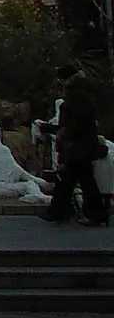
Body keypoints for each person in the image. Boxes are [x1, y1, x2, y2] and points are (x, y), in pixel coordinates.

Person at [41, 73, 107, 227]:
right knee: (81, 182)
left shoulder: (72, 104)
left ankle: (60, 212)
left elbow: (69, 128)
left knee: (70, 182)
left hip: (75, 149)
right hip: (84, 149)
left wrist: (55, 133)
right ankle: (65, 211)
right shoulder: (88, 104)